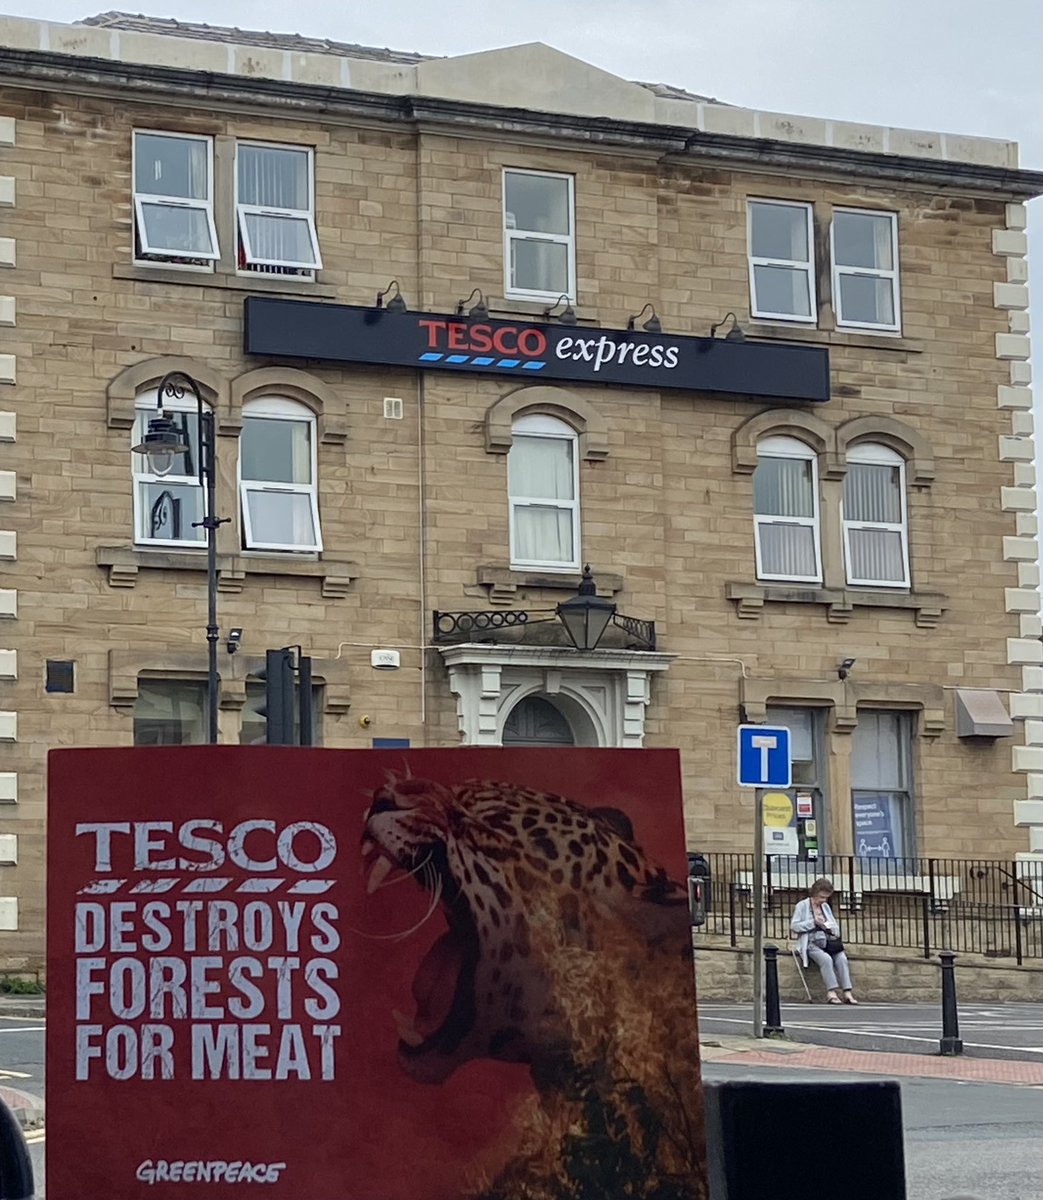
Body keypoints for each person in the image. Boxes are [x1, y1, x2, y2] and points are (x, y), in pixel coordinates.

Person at [791, 877, 858, 1005]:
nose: (823, 900)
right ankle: (831, 992)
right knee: (826, 960)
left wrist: (829, 927)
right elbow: (794, 926)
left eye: (826, 897)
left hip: (828, 942)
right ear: (814, 894)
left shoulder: (825, 907)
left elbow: (835, 926)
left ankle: (847, 992)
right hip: (811, 943)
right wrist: (813, 923)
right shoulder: (802, 906)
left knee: (842, 958)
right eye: (821, 897)